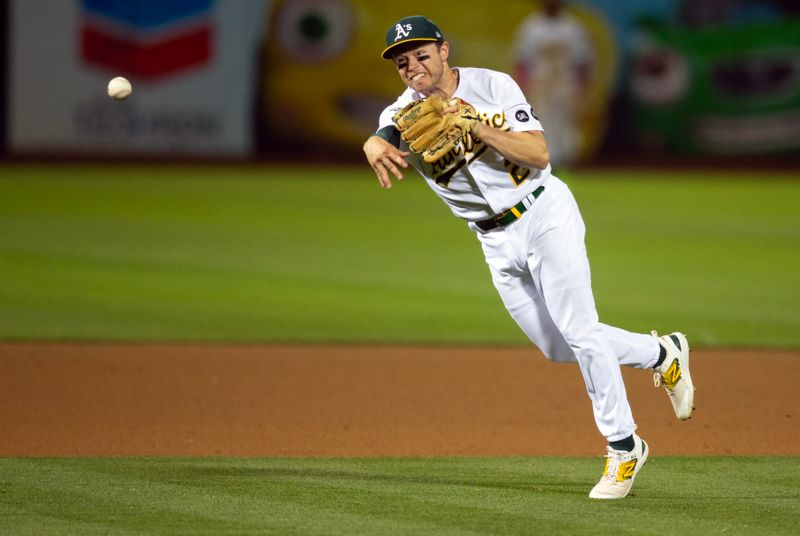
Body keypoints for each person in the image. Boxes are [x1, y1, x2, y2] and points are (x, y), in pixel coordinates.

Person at [362, 15, 695, 500]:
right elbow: (383, 136)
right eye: (402, 61)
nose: (413, 65)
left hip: (543, 214)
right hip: (493, 241)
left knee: (580, 332)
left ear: (444, 51)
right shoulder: (402, 113)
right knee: (557, 346)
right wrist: (374, 143)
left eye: (421, 53)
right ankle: (662, 354)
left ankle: (624, 448)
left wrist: (474, 124)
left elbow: (539, 154)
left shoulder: (493, 86)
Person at [512, 0, 594, 168]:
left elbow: (583, 61)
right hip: (540, 84)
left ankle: (567, 163)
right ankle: (546, 163)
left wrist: (583, 86)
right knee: (541, 124)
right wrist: (520, 88)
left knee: (566, 125)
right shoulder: (531, 26)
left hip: (565, 83)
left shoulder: (573, 27)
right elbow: (521, 61)